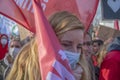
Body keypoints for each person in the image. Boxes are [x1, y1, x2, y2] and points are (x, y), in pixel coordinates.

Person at [6, 11, 91, 80]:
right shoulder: (26, 66)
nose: (74, 52)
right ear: (48, 41)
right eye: (66, 44)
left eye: (79, 47)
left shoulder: (82, 71)